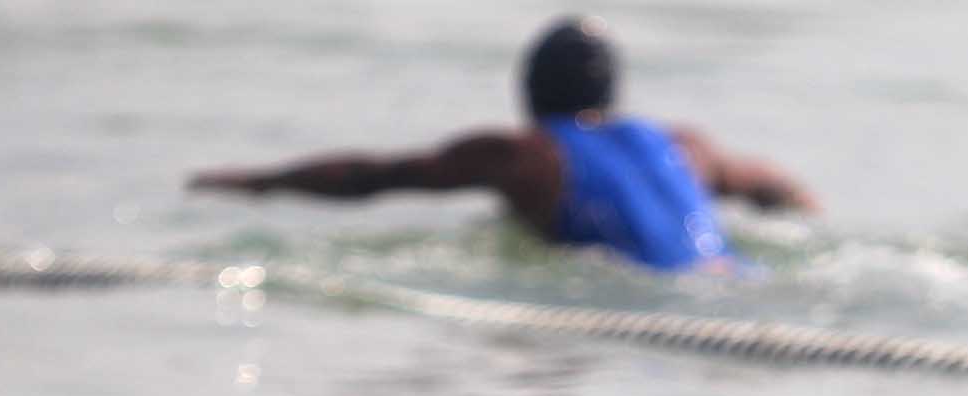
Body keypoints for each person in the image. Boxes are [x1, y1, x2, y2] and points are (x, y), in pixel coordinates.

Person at [188, 17, 819, 272]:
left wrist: (259, 183)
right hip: (740, 277)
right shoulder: (686, 145)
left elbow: (371, 177)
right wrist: (803, 215)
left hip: (652, 300)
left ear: (530, 91)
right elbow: (777, 187)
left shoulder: (525, 155)